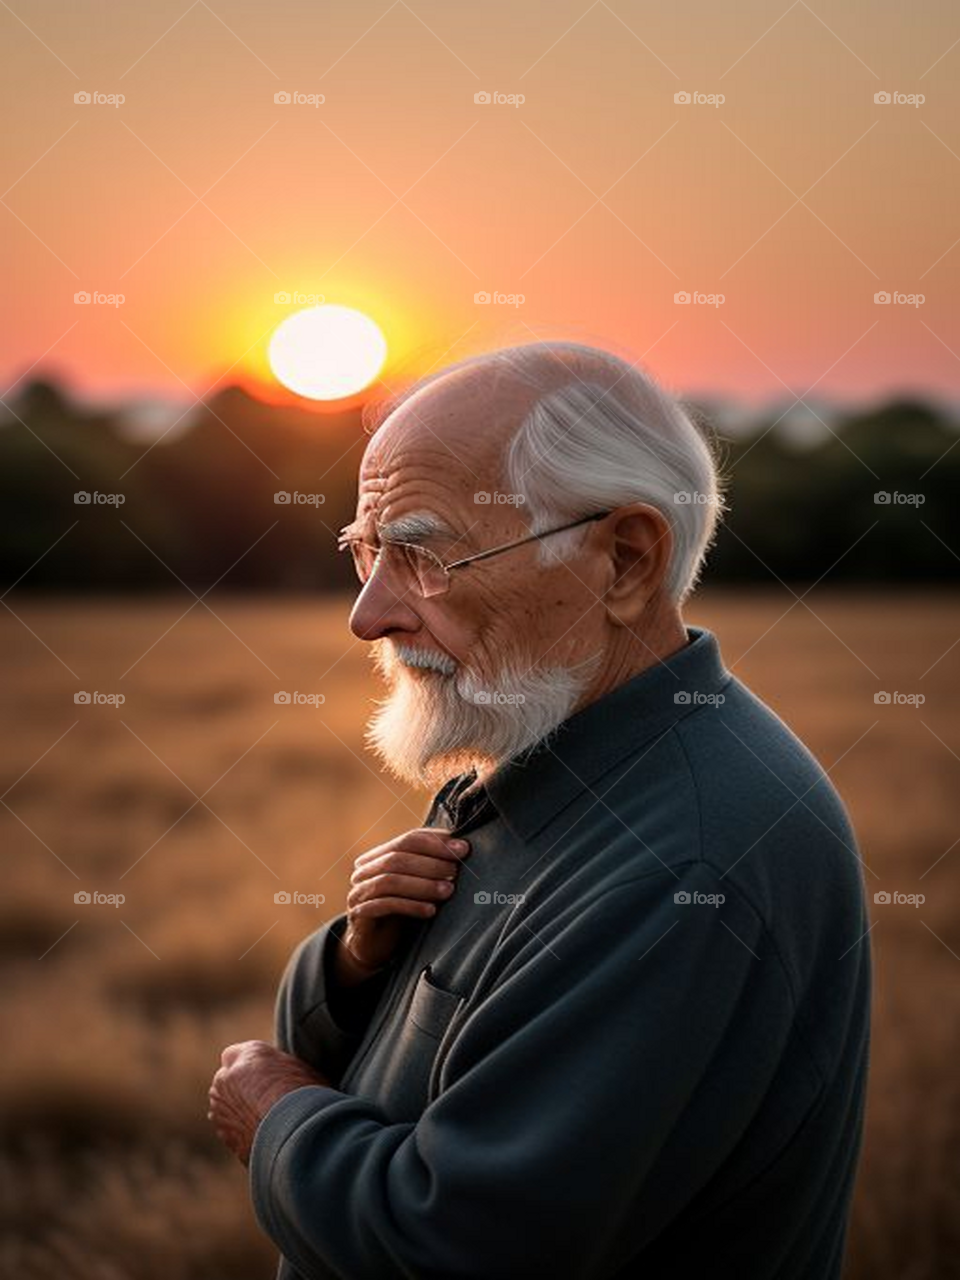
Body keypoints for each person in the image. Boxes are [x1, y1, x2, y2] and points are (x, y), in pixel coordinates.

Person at [208, 341, 872, 1279]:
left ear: (626, 560)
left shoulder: (685, 866)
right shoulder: (559, 756)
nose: (369, 614)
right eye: (366, 551)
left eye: (423, 555)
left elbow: (459, 1251)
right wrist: (359, 963)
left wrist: (277, 1121)